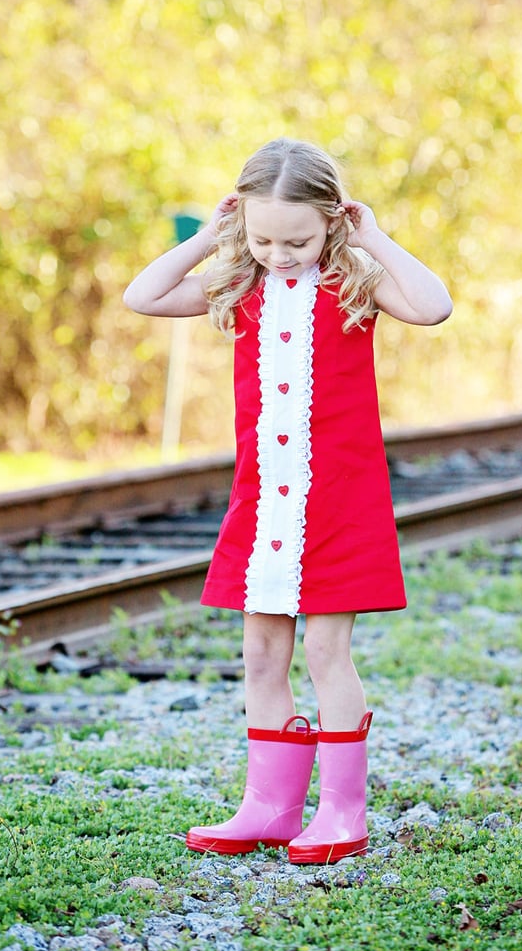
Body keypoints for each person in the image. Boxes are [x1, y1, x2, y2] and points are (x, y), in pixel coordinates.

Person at [123, 137, 452, 864]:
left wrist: (376, 238)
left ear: (332, 221)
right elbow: (141, 296)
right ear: (245, 226)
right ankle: (269, 806)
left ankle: (341, 812)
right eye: (263, 237)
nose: (280, 252)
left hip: (337, 503)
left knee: (327, 651)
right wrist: (213, 236)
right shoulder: (238, 285)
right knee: (261, 653)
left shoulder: (354, 286)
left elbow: (434, 308)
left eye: (297, 238)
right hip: (265, 503)